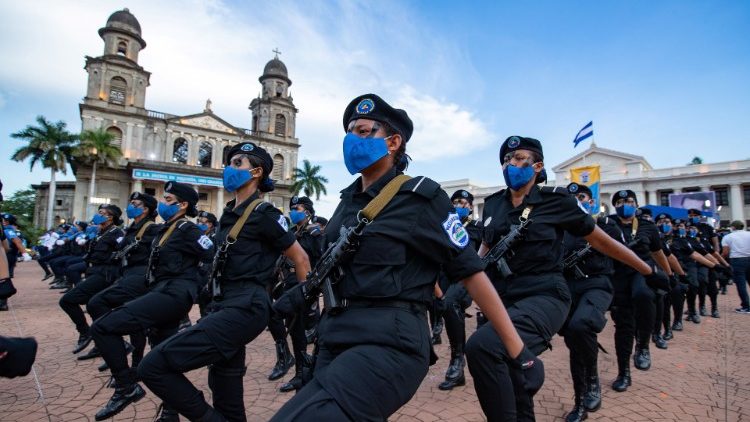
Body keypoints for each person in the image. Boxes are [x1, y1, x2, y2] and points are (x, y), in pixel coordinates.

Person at [272, 94, 528, 422]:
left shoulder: (421, 196)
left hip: (388, 341)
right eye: (349, 131)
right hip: (334, 336)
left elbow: (471, 271)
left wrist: (517, 350)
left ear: (393, 142)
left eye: (364, 131)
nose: (352, 139)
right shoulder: (346, 202)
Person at [465, 139, 665, 421]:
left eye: (520, 158)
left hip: (544, 295)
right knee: (510, 375)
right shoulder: (493, 204)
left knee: (482, 347)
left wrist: (648, 271)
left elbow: (602, 242)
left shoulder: (556, 200)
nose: (512, 164)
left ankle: (530, 364)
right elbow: (483, 251)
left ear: (537, 166)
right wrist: (466, 283)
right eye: (508, 158)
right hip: (502, 298)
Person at [138, 143, 311, 421]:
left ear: (256, 172)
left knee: (153, 367)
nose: (229, 168)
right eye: (229, 162)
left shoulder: (264, 214)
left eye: (238, 163)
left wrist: (305, 306)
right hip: (224, 304)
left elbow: (300, 258)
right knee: (224, 386)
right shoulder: (230, 214)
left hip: (246, 306)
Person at [90, 182, 210, 421]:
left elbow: (212, 257)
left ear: (183, 205)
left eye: (167, 199)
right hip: (161, 291)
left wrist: (192, 288)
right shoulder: (168, 228)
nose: (163, 203)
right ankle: (171, 411)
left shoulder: (188, 229)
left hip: (173, 295)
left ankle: (126, 386)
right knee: (162, 358)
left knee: (103, 327)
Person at [559, 183, 624, 422]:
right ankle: (579, 403)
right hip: (568, 288)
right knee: (575, 341)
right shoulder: (559, 229)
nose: (577, 200)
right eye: (572, 197)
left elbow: (622, 256)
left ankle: (592, 380)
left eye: (582, 196)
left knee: (580, 326)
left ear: (591, 201)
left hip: (597, 284)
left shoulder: (606, 225)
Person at [86, 192, 161, 374]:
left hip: (140, 277)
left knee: (98, 303)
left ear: (145, 209)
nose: (130, 206)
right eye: (131, 203)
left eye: (135, 204)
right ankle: (119, 354)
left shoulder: (152, 229)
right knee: (131, 320)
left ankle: (134, 364)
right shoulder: (131, 229)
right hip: (126, 275)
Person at [268, 195, 324, 393]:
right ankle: (300, 373)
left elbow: (320, 260)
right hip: (287, 284)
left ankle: (293, 362)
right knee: (295, 331)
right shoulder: (291, 233)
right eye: (292, 208)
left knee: (275, 315)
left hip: (303, 286)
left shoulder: (314, 233)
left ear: (307, 211)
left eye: (298, 208)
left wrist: (314, 292)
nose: (293, 211)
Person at [59, 205, 124, 358]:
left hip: (104, 274)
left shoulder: (117, 233)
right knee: (95, 307)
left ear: (110, 217)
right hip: (93, 271)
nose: (97, 215)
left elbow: (122, 255)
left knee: (67, 301)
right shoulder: (99, 232)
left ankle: (85, 332)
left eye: (102, 213)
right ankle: (101, 344)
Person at [436, 189, 483, 391]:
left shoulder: (477, 227)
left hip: (467, 277)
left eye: (463, 202)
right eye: (455, 201)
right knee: (448, 311)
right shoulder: (445, 226)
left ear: (470, 207)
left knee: (450, 303)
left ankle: (457, 360)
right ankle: (459, 369)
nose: (458, 205)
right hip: (447, 275)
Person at [721, 220, 750, 313]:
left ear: (733, 227)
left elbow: (725, 252)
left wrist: (720, 259)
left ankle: (746, 306)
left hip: (737, 261)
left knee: (741, 284)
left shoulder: (728, 237)